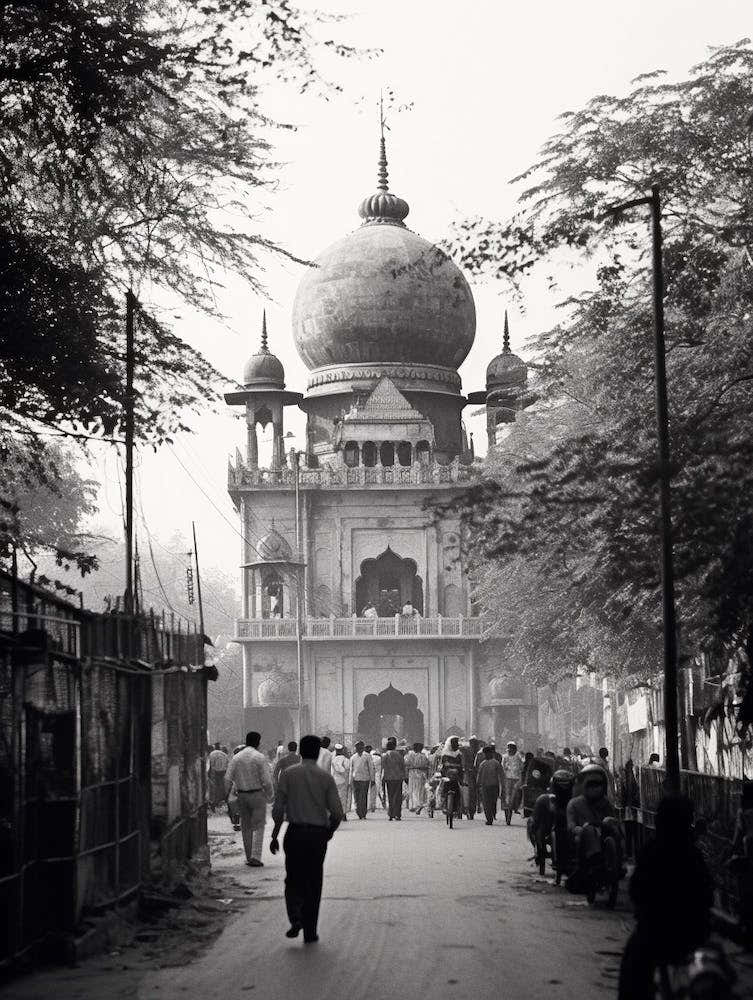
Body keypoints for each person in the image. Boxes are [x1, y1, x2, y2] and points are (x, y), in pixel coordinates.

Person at [618, 795, 713, 1000]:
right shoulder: (693, 854)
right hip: (692, 934)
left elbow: (636, 890)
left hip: (656, 934)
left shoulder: (652, 850)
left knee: (632, 971)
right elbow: (707, 895)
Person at [270, 734, 344, 945]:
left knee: (292, 878)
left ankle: (295, 918)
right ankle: (310, 930)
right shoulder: (325, 778)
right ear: (319, 752)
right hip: (317, 836)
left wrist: (275, 835)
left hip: (294, 833)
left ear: (301, 751)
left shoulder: (289, 775)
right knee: (314, 881)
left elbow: (278, 810)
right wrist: (329, 832)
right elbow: (337, 812)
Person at [566, 763, 623, 888]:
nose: (595, 789)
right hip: (583, 837)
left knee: (615, 831)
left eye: (598, 786)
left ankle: (618, 864)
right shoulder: (574, 804)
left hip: (603, 834)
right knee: (588, 831)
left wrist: (611, 822)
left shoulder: (606, 803)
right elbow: (571, 824)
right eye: (591, 786)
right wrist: (578, 829)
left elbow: (613, 819)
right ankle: (592, 861)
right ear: (585, 787)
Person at [224, 731, 273, 867]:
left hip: (242, 795)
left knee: (246, 826)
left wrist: (226, 795)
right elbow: (267, 781)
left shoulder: (236, 758)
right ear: (258, 742)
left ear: (246, 741)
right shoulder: (259, 757)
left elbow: (227, 778)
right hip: (257, 794)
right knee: (258, 826)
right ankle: (256, 856)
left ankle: (248, 856)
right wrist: (270, 795)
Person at [477, 746, 504, 825]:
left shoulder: (485, 764)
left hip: (490, 786)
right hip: (490, 786)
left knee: (488, 803)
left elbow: (501, 774)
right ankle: (490, 817)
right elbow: (501, 775)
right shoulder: (494, 763)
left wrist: (478, 784)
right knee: (490, 803)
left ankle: (490, 818)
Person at [381, 737, 406, 820]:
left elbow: (383, 767)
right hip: (398, 778)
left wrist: (383, 778)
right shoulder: (399, 755)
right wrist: (404, 776)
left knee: (390, 796)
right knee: (398, 796)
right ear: (395, 746)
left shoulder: (385, 756)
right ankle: (397, 814)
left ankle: (391, 814)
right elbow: (403, 766)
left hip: (388, 778)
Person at [350, 741, 375, 819]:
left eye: (360, 747)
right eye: (357, 747)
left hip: (365, 779)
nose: (358, 748)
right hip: (356, 779)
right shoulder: (353, 757)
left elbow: (371, 768)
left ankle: (363, 813)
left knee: (363, 796)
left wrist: (372, 779)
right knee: (356, 796)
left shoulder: (367, 756)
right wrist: (349, 781)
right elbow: (351, 769)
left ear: (363, 747)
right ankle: (358, 811)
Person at [501, 741, 524, 815]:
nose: (511, 750)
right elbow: (502, 767)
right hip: (507, 778)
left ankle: (516, 807)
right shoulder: (504, 757)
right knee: (506, 793)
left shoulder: (518, 756)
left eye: (512, 748)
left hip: (517, 778)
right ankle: (506, 806)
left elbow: (522, 766)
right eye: (509, 748)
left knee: (518, 793)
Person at [405, 742, 429, 813]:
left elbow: (406, 763)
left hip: (412, 774)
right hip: (421, 774)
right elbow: (427, 765)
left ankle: (414, 805)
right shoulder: (424, 756)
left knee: (413, 790)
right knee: (420, 790)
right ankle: (420, 804)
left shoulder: (410, 756)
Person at [330, 744, 351, 820]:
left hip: (334, 781)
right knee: (343, 798)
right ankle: (343, 814)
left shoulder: (332, 760)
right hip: (343, 781)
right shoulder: (346, 760)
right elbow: (347, 770)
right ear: (342, 751)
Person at [207, 741, 229, 810]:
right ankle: (222, 800)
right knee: (222, 786)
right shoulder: (224, 754)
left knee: (214, 787)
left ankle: (214, 802)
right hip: (223, 771)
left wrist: (209, 774)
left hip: (215, 772)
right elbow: (227, 764)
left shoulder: (212, 754)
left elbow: (211, 765)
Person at [368, 745, 382, 811]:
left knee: (370, 791)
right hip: (377, 776)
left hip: (370, 776)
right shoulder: (379, 758)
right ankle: (375, 805)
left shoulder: (369, 758)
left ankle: (370, 805)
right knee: (376, 791)